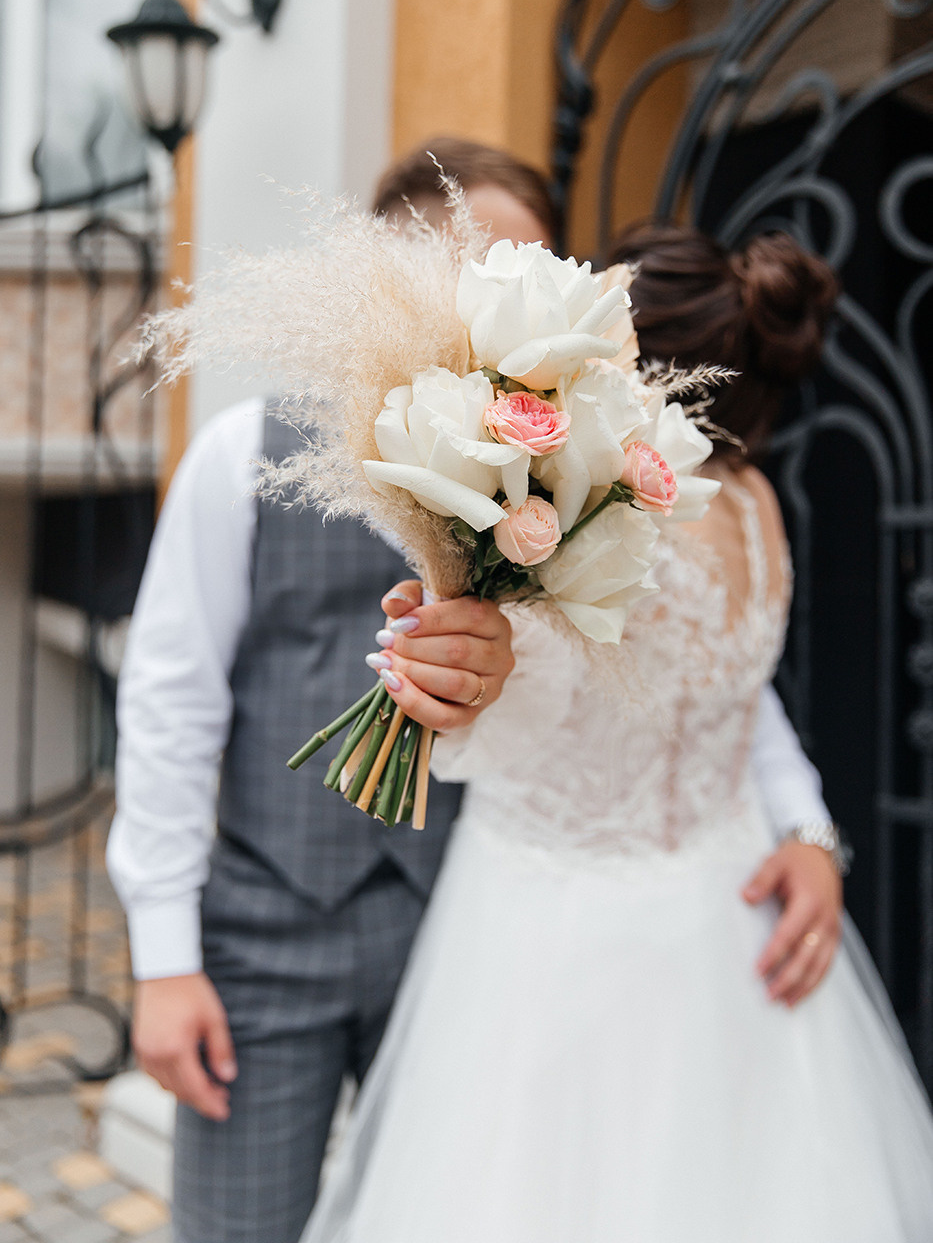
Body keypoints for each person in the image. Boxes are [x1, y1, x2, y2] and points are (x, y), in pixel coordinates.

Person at [108, 142, 841, 1243]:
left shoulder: (583, 481)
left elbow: (710, 676)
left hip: (467, 933)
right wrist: (165, 958)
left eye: (520, 275)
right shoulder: (241, 455)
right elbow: (171, 710)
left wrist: (808, 826)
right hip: (273, 947)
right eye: (471, 272)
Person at [301, 224, 933, 1243]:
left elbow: (715, 697)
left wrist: (809, 832)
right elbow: (657, 686)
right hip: (724, 932)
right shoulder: (762, 507)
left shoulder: (597, 515)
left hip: (565, 946)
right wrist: (811, 831)